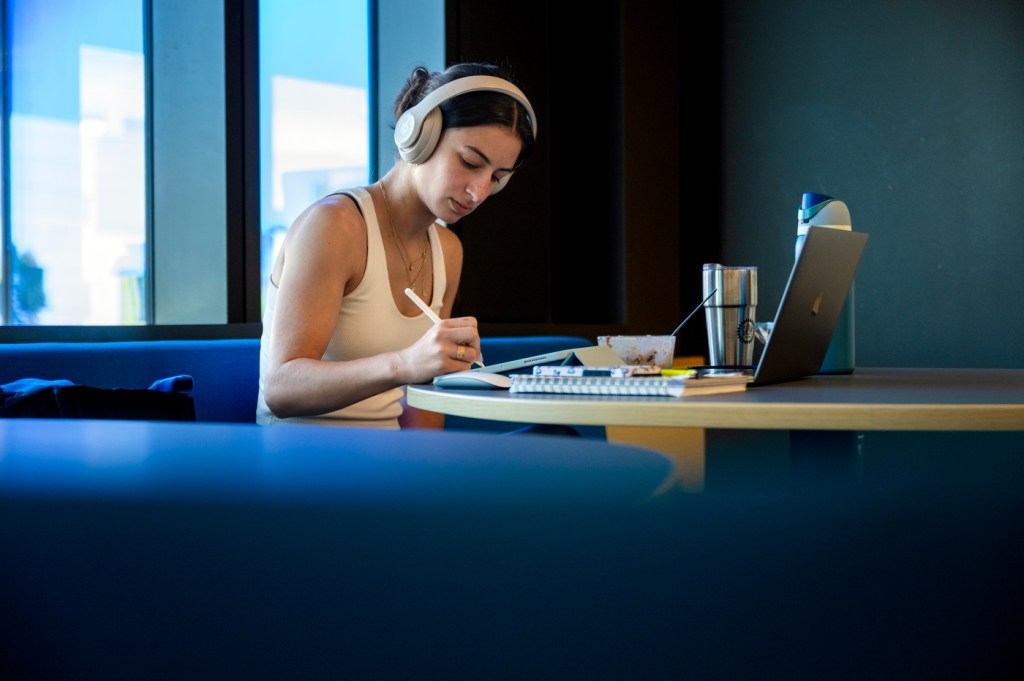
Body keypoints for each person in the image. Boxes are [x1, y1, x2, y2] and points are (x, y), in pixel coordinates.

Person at [256, 62, 537, 428]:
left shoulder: (448, 251)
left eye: (497, 177)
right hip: (305, 455)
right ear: (420, 135)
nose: (479, 192)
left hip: (388, 455)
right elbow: (281, 389)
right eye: (470, 162)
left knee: (556, 437)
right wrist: (404, 363)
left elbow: (422, 404)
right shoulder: (335, 225)